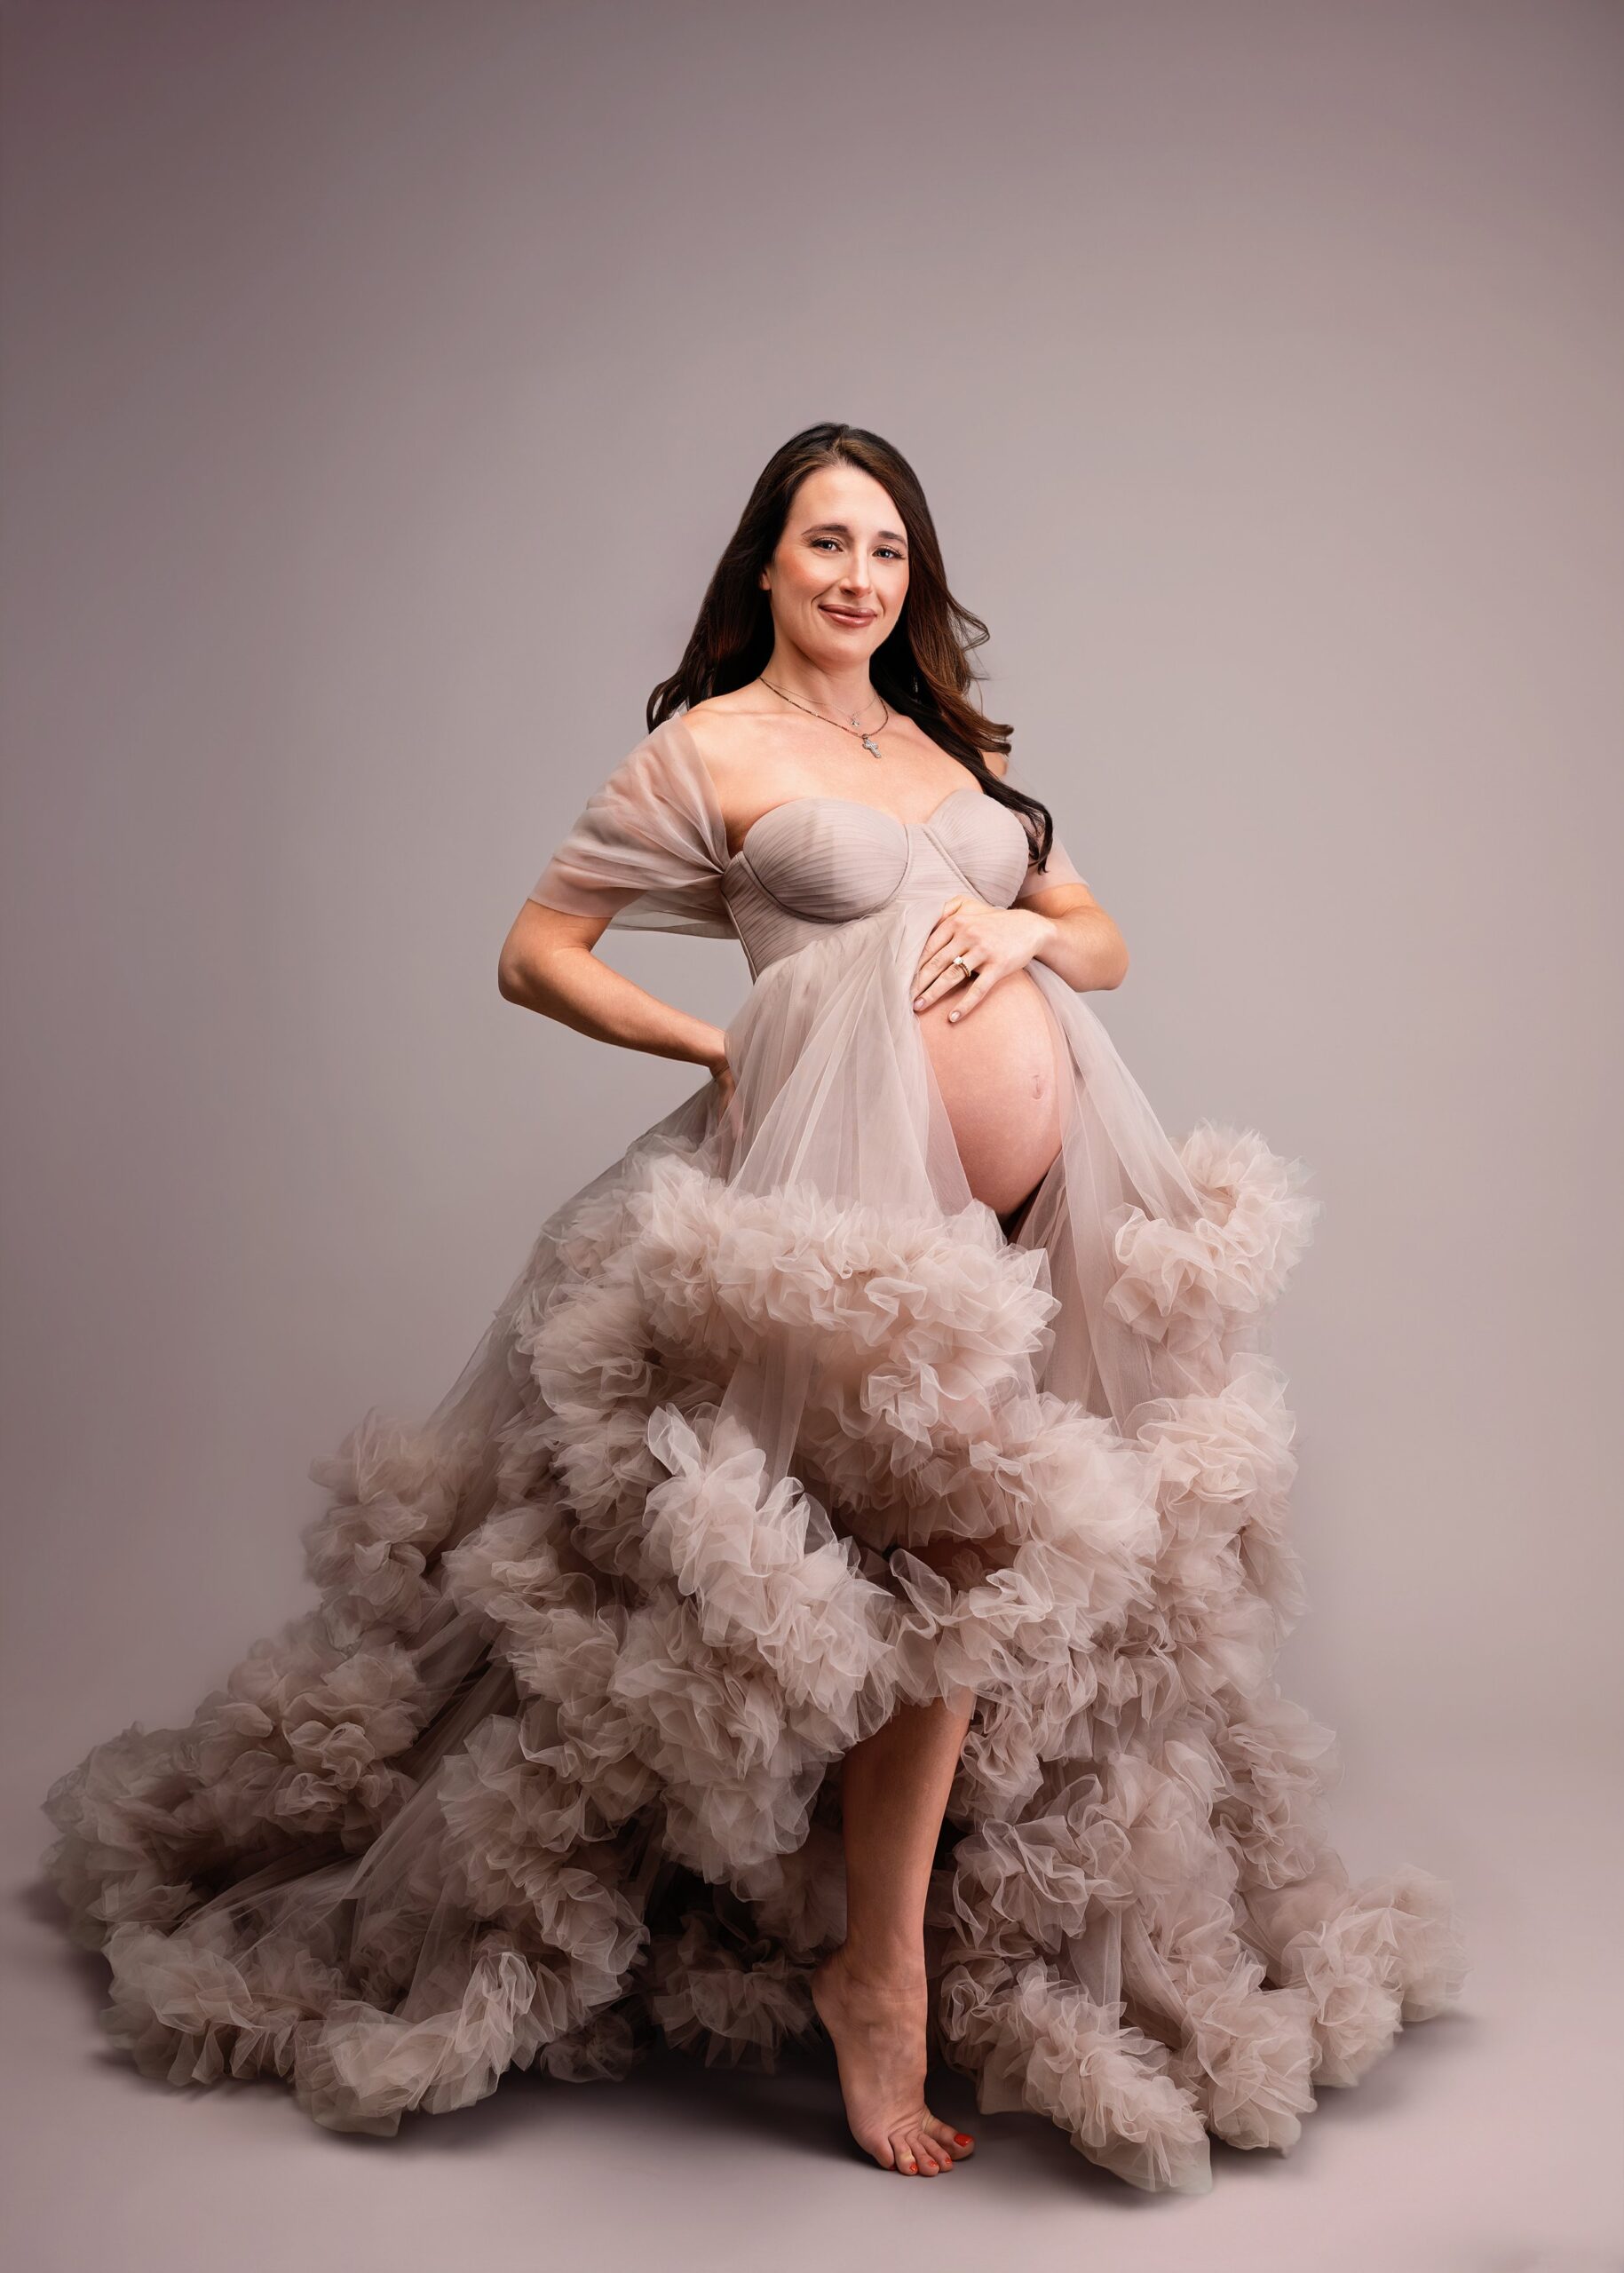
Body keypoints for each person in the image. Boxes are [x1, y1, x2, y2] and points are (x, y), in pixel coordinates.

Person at [39, 421, 1466, 2191]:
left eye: (888, 549)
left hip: (1049, 1189)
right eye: (827, 543)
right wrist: (726, 1038)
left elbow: (1097, 936)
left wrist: (1027, 937)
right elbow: (535, 948)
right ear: (767, 568)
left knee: (998, 1554)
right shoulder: (707, 748)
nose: (861, 574)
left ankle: (881, 1933)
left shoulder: (965, 753)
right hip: (838, 1208)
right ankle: (878, 1969)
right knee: (933, 1542)